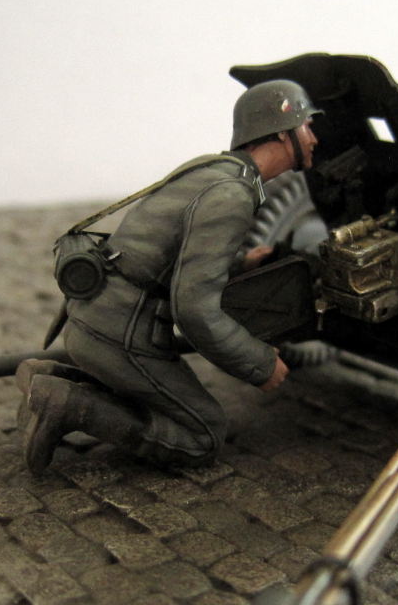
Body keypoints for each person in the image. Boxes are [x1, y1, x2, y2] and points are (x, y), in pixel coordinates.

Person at [18, 79, 321, 473]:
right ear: (282, 132)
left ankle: (49, 377)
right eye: (307, 126)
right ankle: (68, 404)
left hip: (96, 317)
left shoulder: (213, 170)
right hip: (120, 333)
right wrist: (259, 363)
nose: (313, 138)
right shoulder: (231, 195)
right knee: (202, 436)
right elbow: (194, 309)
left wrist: (241, 263)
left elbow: (179, 256)